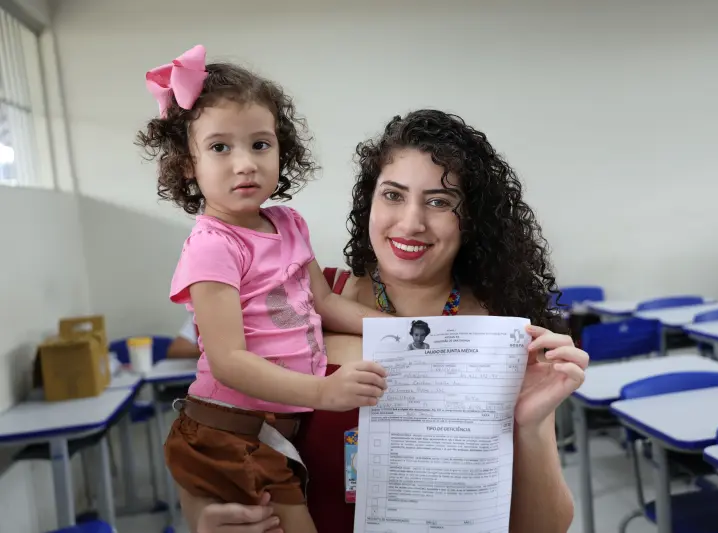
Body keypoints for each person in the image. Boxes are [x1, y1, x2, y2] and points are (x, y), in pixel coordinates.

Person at [190, 109, 588, 533]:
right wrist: (202, 519)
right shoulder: (300, 301)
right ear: (369, 202)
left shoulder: (503, 333)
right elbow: (210, 429)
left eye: (439, 202)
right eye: (393, 195)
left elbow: (545, 528)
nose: (411, 223)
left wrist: (531, 425)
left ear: (471, 219)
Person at [135, 44, 390, 533]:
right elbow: (228, 362)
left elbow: (325, 302)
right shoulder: (212, 246)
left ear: (281, 149)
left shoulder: (288, 223)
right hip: (227, 430)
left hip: (267, 432)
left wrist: (402, 327)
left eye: (260, 144)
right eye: (219, 147)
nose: (245, 163)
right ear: (187, 164)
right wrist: (323, 391)